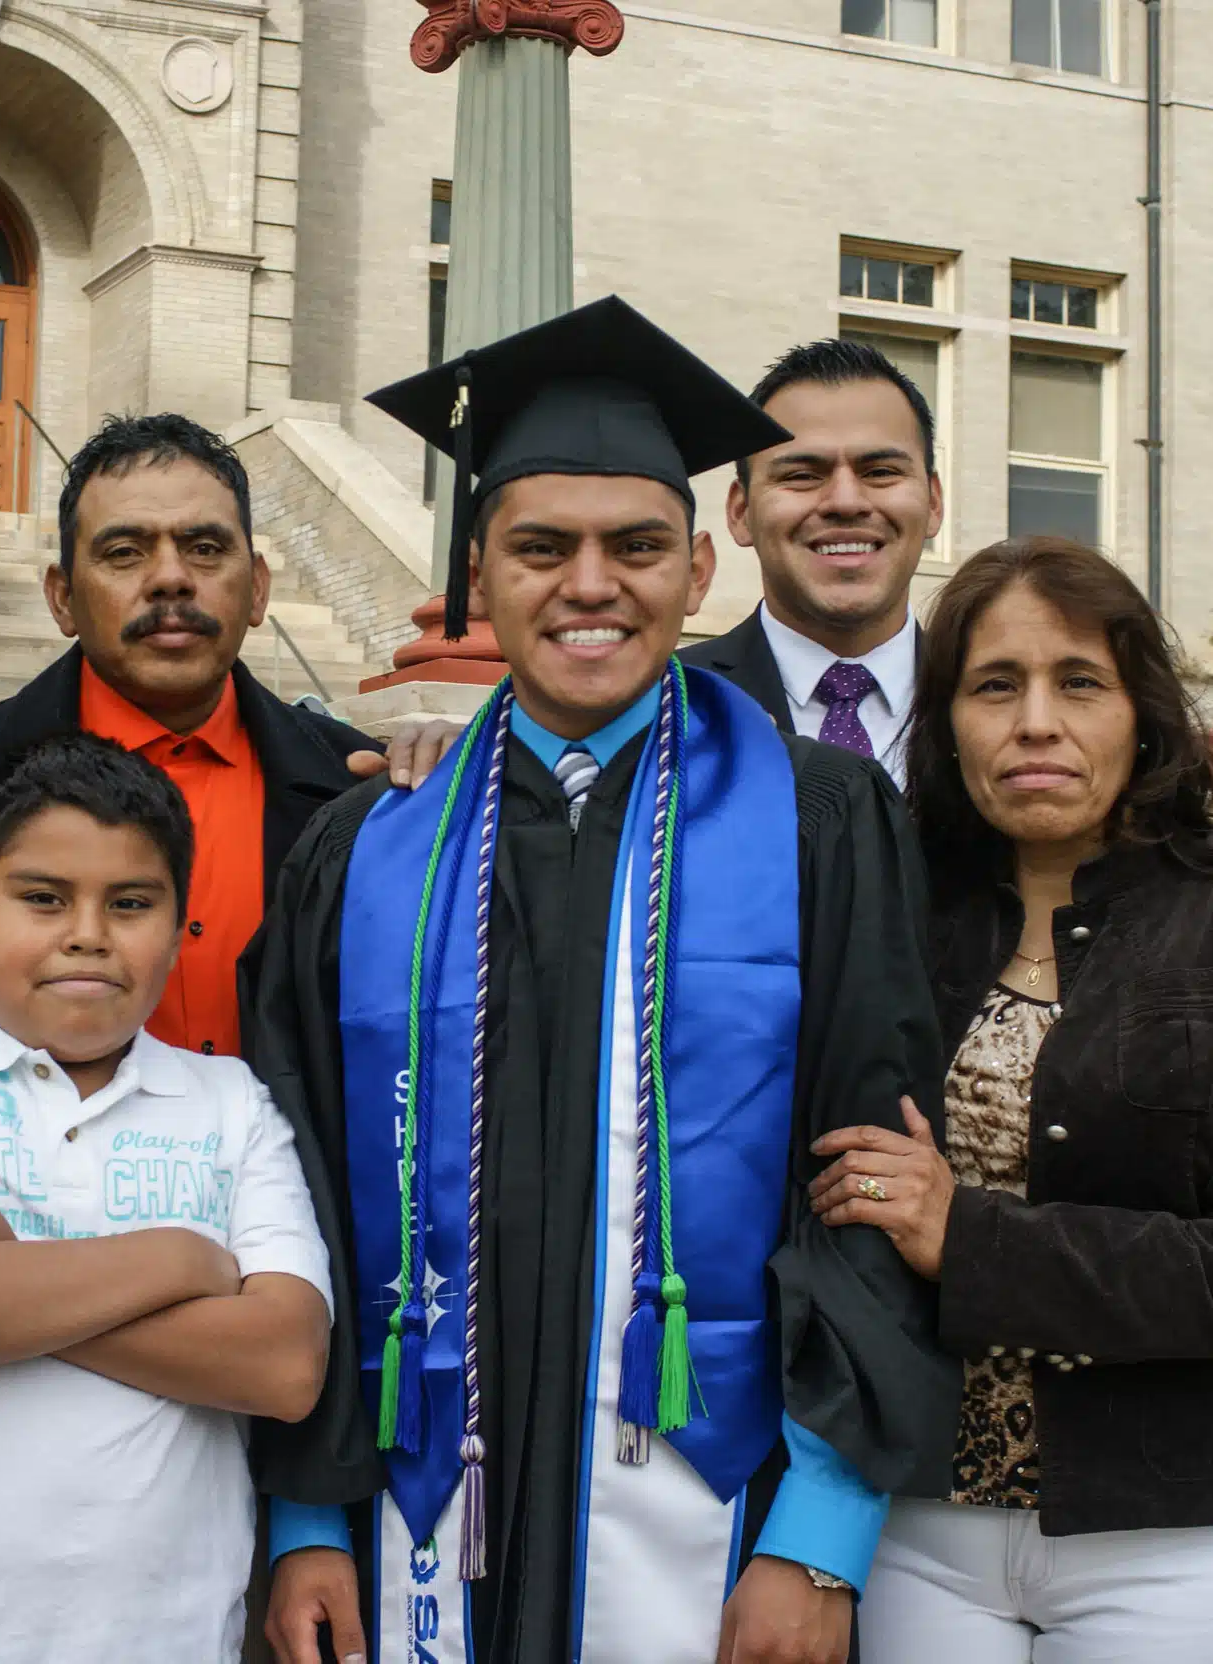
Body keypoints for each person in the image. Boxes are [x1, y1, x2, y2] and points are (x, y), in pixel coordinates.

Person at [246, 296, 958, 1664]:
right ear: (479, 574)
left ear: (698, 569)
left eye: (635, 548)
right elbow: (300, 1194)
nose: (589, 586)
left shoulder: (820, 823)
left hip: (725, 1502)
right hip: (410, 1506)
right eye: (541, 548)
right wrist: (305, 1521)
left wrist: (820, 1532)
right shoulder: (367, 844)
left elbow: (872, 1168)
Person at [807, 537, 1213, 1662]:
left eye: (1079, 682)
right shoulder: (890, 908)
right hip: (914, 1524)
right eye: (993, 684)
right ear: (947, 718)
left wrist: (966, 1237)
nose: (1035, 722)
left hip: (1176, 1533)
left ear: (1141, 712)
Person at [0, 732, 333, 1660]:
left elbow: (282, 1366)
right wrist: (182, 1262)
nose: (88, 933)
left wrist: (4, 1274)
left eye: (130, 904)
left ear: (177, 925)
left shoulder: (231, 1104)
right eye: (43, 899)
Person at [0, 413, 451, 1063]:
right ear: (62, 598)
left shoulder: (355, 785)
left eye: (206, 549)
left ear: (258, 589)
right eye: (124, 552)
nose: (171, 579)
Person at [684, 339, 944, 789]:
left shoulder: (987, 702)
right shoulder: (671, 708)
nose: (845, 502)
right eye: (802, 475)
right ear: (740, 513)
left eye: (880, 472)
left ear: (934, 503)